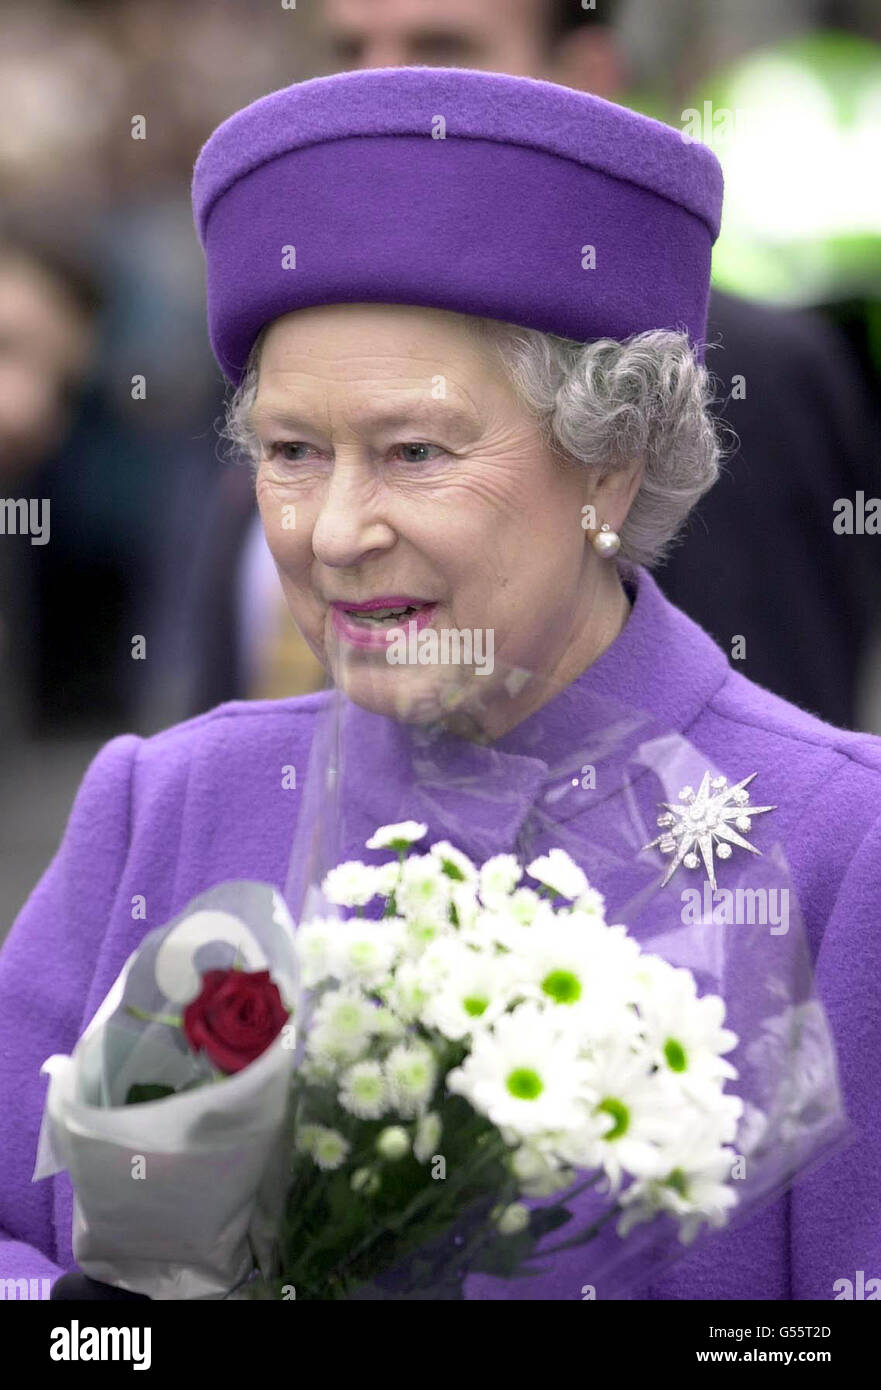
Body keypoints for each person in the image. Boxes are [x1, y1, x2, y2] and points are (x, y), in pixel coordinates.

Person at [2, 67, 880, 1301]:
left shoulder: (845, 852)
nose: (332, 531)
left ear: (610, 468)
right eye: (292, 453)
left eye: (413, 453)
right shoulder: (165, 803)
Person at [182, 0, 881, 729]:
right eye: (349, 48)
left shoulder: (741, 374)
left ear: (586, 75)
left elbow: (762, 770)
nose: (377, 89)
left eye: (440, 49)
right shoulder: (281, 332)